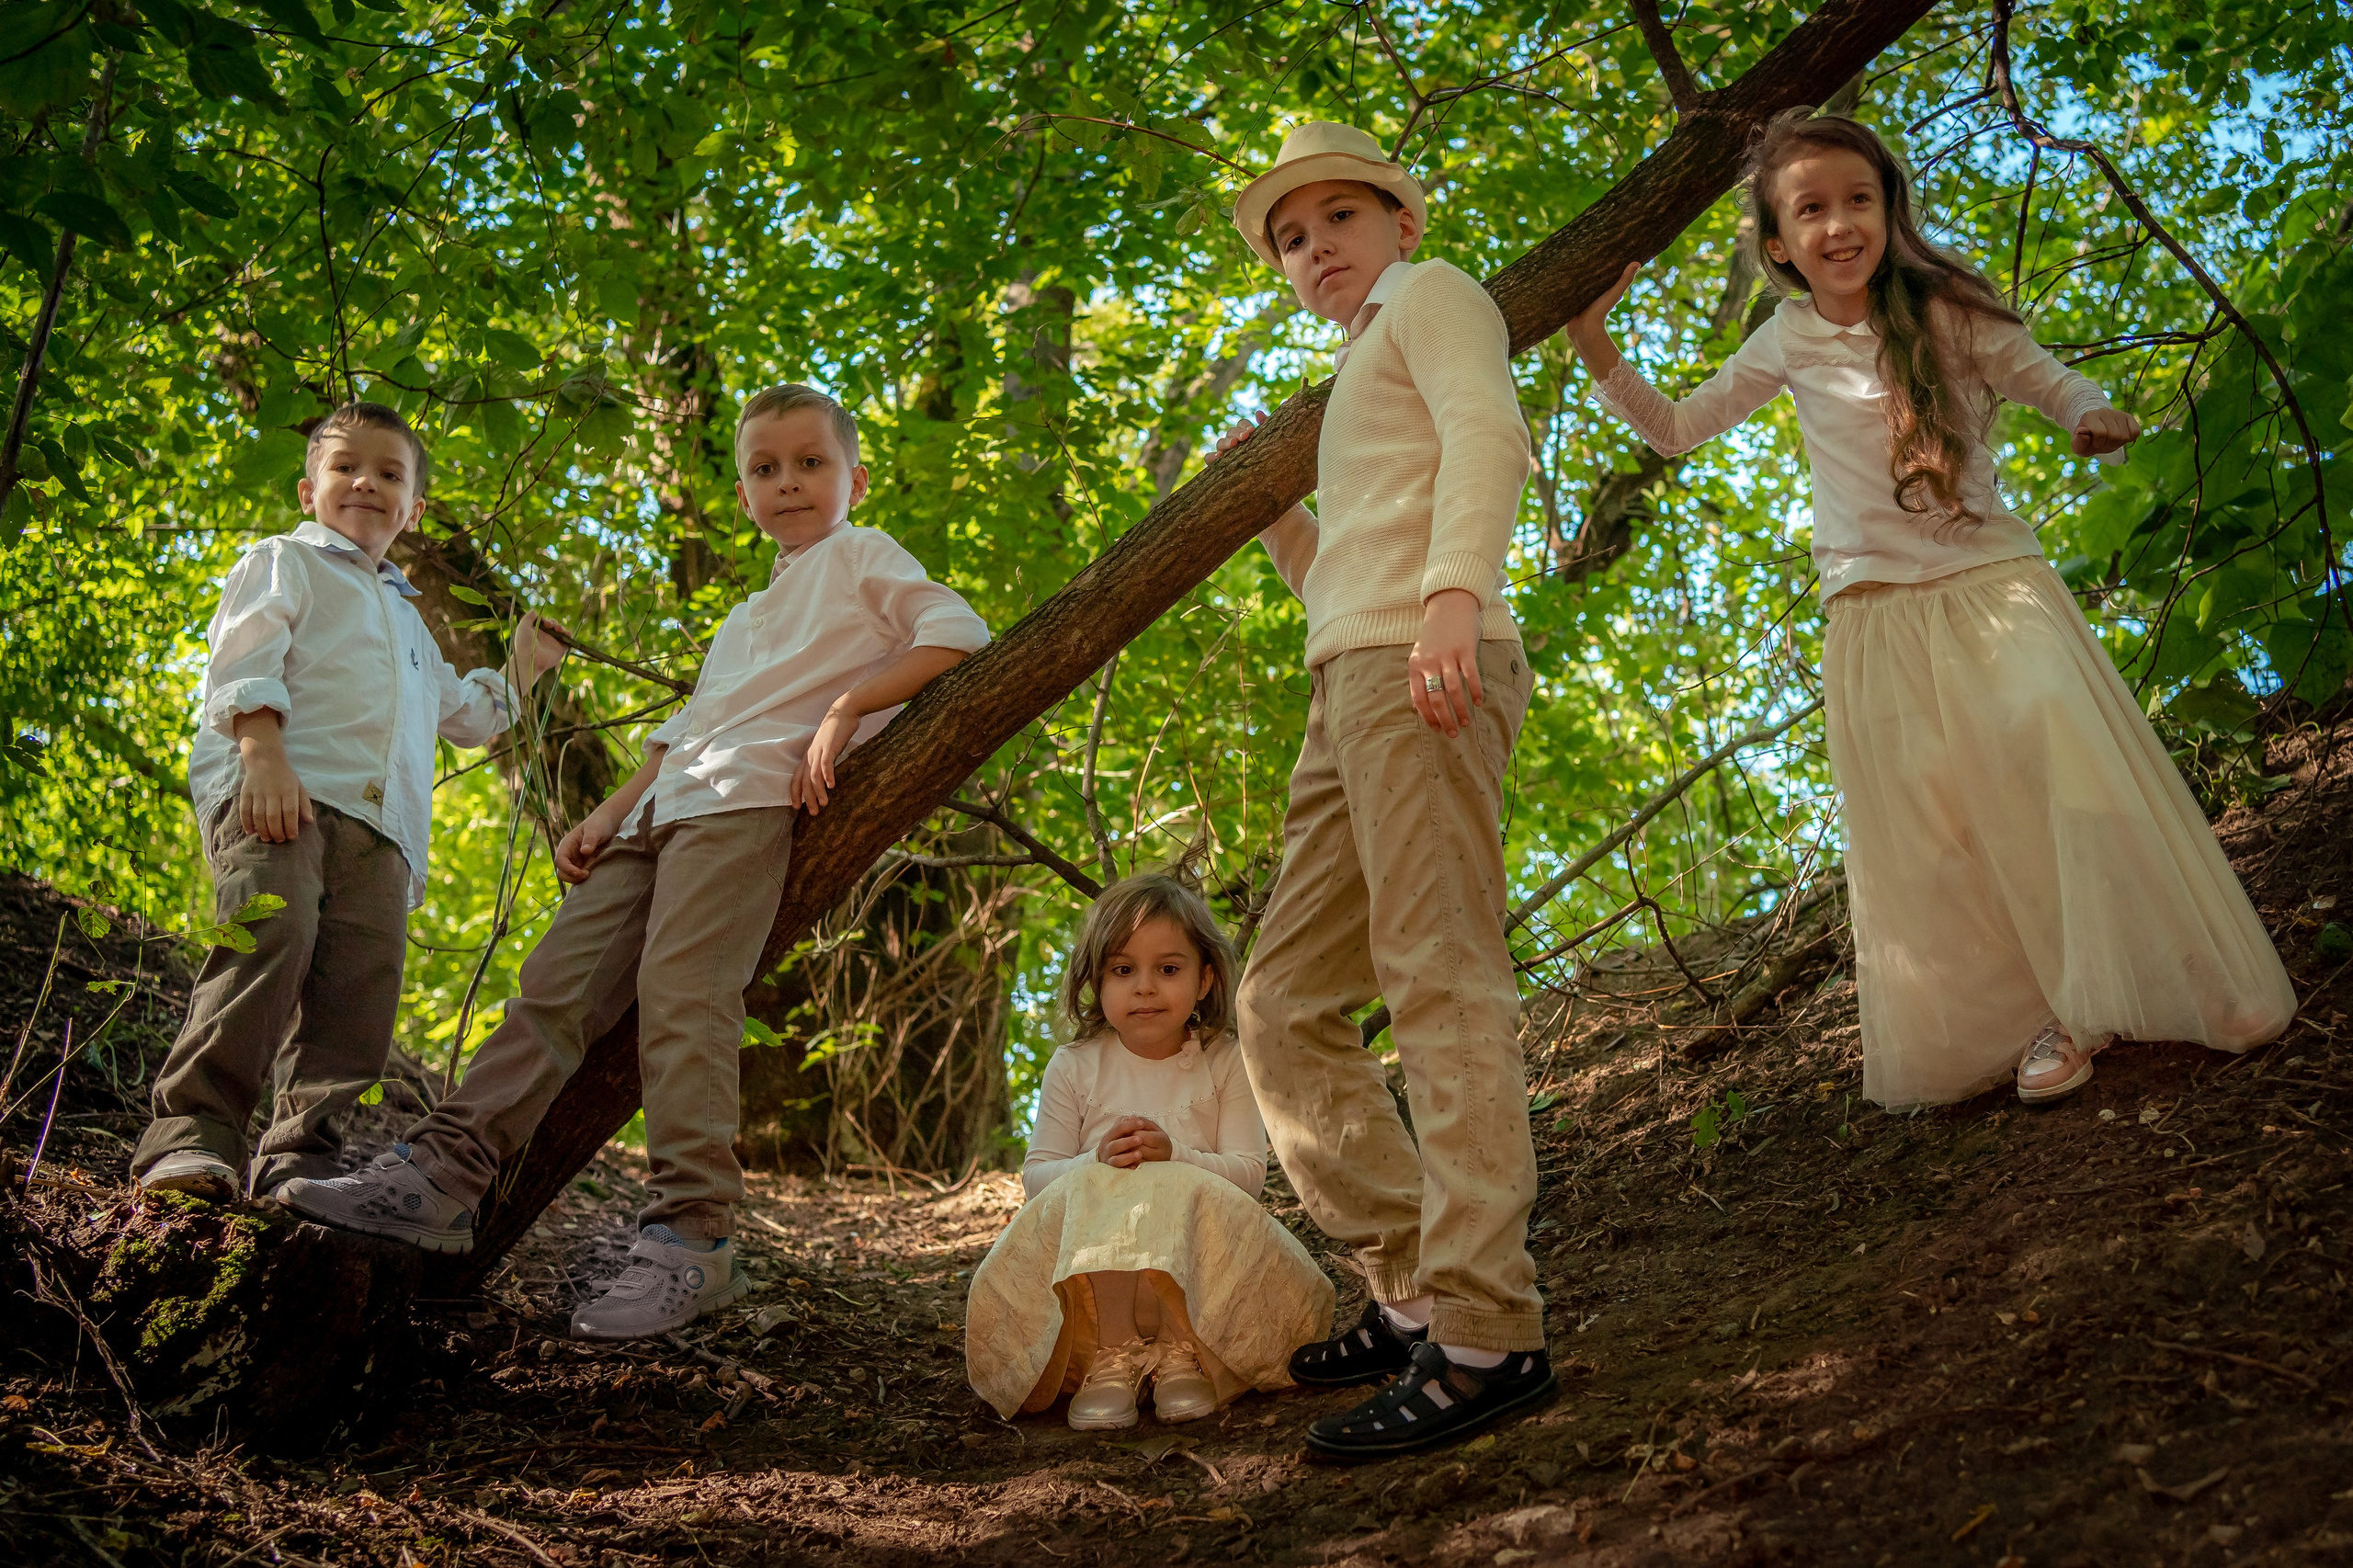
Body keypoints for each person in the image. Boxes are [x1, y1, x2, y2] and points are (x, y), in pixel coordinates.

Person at [1566, 109, 2296, 1110]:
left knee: (2049, 742)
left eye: (1856, 200)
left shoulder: (1946, 307)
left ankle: (2165, 972)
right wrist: (1594, 343)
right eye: (1810, 209)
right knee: (1939, 818)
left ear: (1888, 209)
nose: (1838, 224)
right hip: (1871, 609)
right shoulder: (1786, 335)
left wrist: (2091, 413)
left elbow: (2039, 377)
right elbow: (1679, 427)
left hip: (1988, 582)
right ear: (1778, 244)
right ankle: (2043, 1016)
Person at [286, 383, 992, 1341]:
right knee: (554, 986)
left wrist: (845, 709)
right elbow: (683, 731)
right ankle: (442, 1172)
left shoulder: (862, 556)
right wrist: (610, 812)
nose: (787, 482)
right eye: (764, 468)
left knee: (683, 990)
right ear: (742, 493)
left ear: (853, 479)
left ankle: (692, 1236)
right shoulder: (745, 616)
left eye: (810, 464)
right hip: (662, 809)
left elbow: (960, 632)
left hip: (742, 807)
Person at [1210, 121, 1553, 1460]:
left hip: (1426, 659)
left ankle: (1489, 1334)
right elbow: (1336, 566)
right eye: (1291, 240)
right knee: (1283, 999)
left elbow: (1491, 433)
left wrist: (1452, 602)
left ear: (1401, 225)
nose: (1315, 251)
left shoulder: (1436, 294)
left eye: (1339, 219)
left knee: (1439, 978)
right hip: (1349, 673)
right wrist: (1273, 514)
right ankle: (1413, 1289)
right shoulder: (1354, 368)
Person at [131, 403, 566, 1203]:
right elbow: (245, 659)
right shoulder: (283, 562)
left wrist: (521, 670)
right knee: (272, 937)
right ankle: (191, 1136)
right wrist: (262, 755)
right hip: (281, 796)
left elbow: (466, 720)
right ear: (309, 490)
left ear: (415, 509)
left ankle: (303, 1156)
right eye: (346, 467)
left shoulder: (408, 617)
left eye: (390, 474)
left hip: (384, 831)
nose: (366, 481)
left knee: (359, 992)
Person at [964, 873, 1333, 1431]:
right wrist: (1096, 1164)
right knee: (1108, 1180)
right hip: (1094, 1294)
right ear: (1096, 982)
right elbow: (1037, 1180)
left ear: (1205, 979)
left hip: (1197, 1284)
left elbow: (1249, 1178)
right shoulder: (1075, 1065)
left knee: (1164, 1176)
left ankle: (1179, 1350)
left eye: (1168, 969)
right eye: (1123, 970)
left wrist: (1177, 1157)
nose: (1144, 987)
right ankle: (1114, 1356)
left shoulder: (1226, 1060)